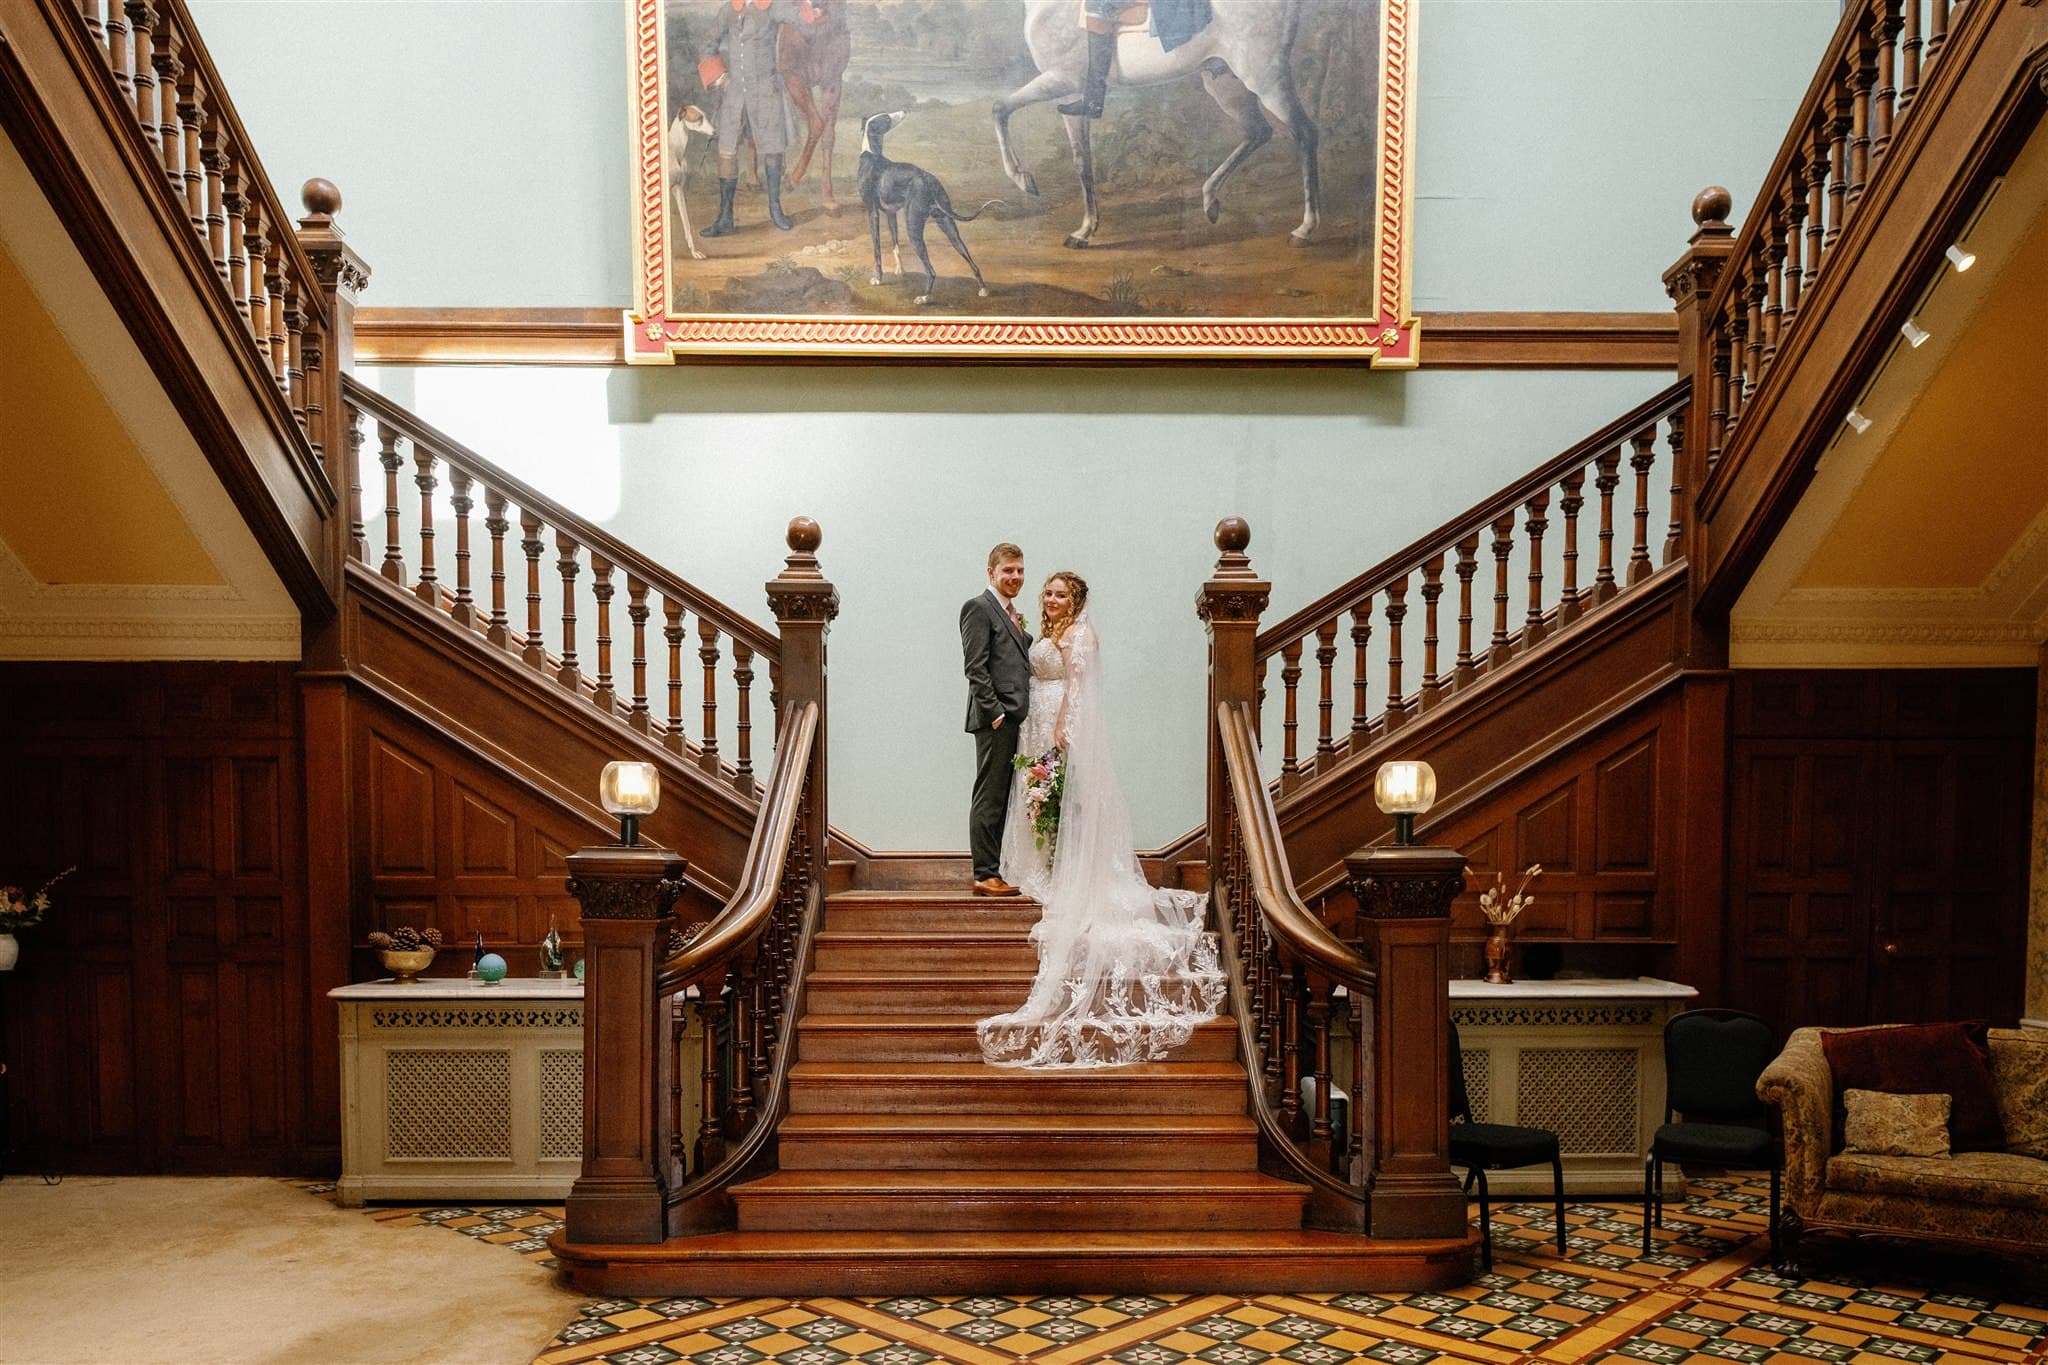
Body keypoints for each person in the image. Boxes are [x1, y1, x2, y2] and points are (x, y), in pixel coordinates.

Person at [978, 571, 1225, 1068]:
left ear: (1076, 600)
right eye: (1047, 592)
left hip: (1058, 722)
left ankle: (1068, 867)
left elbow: (1077, 686)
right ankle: (1043, 864)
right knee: (1036, 793)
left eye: (1060, 594)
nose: (1050, 599)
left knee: (1062, 796)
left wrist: (1065, 728)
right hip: (1034, 722)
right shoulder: (1041, 632)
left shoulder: (1079, 634)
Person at [698, 0, 821, 236]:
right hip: (734, 94)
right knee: (727, 151)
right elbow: (708, 43)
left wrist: (809, 12)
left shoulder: (772, 7)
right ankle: (725, 217)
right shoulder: (729, 10)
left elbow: (801, 20)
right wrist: (722, 79)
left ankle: (775, 210)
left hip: (767, 91)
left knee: (773, 149)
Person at [960, 543, 1032, 898]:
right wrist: (996, 715)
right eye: (1008, 571)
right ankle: (984, 873)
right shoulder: (979, 608)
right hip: (996, 719)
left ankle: (995, 869)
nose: (1015, 577)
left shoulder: (1011, 612)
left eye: (1019, 570)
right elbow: (975, 668)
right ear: (991, 572)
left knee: (1002, 795)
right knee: (989, 795)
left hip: (1013, 715)